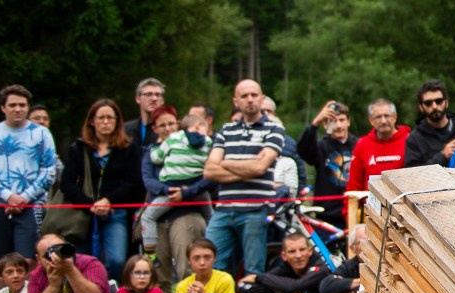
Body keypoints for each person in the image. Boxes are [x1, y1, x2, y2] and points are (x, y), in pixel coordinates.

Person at [203, 79, 288, 275]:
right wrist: (248, 165)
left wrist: (224, 162)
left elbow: (260, 168)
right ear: (236, 102)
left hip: (255, 210)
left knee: (253, 271)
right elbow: (209, 171)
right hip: (223, 210)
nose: (250, 100)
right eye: (244, 96)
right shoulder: (226, 130)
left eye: (254, 95)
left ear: (262, 98)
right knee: (210, 267)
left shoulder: (274, 129)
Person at [0, 85, 58, 264]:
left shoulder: (42, 134)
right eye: (12, 105)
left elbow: (49, 171)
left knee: (28, 260)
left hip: (30, 205)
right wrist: (8, 196)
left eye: (22, 105)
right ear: (3, 108)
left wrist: (24, 197)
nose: (18, 109)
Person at [59, 99, 145, 269]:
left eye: (110, 118)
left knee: (117, 260)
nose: (106, 122)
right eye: (101, 118)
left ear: (117, 121)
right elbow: (66, 182)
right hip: (83, 215)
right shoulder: (78, 148)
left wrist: (108, 200)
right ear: (92, 121)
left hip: (116, 213)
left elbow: (134, 181)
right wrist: (89, 204)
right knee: (83, 262)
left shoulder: (129, 148)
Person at [140, 107, 213, 255]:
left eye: (171, 124)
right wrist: (167, 190)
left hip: (189, 212)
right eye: (162, 125)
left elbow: (210, 177)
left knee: (186, 266)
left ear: (178, 124)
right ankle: (150, 255)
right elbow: (148, 180)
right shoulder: (151, 150)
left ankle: (214, 247)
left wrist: (186, 192)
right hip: (163, 208)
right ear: (154, 129)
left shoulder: (193, 143)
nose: (168, 129)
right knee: (159, 271)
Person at [296, 100, 358, 217]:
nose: (338, 126)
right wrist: (314, 124)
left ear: (348, 121)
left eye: (342, 120)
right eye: (333, 121)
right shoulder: (321, 146)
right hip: (326, 214)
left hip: (354, 212)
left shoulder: (360, 145)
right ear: (325, 125)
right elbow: (303, 150)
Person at [346, 99, 411, 198]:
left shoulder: (409, 140)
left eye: (387, 116)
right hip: (370, 209)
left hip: (403, 207)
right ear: (371, 120)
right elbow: (354, 186)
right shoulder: (362, 144)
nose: (383, 121)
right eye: (378, 117)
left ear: (395, 117)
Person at [403, 80, 455, 168]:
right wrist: (442, 156)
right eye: (428, 103)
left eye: (439, 101)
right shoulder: (414, 139)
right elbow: (412, 174)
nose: (434, 106)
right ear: (421, 107)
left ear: (446, 103)